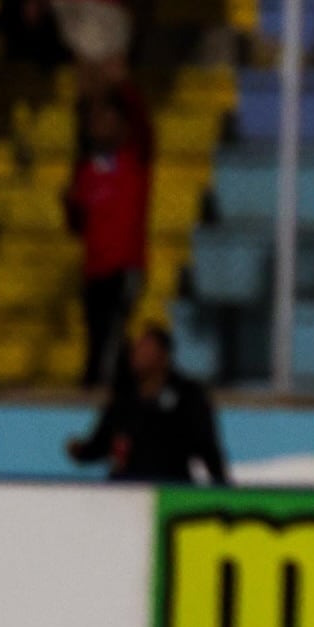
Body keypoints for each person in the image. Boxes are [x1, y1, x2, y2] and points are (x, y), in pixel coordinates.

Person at [65, 87, 151, 389]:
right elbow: (77, 226)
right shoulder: (86, 168)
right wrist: (70, 206)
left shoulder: (134, 160)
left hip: (125, 265)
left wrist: (121, 83)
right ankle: (112, 384)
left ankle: (101, 386)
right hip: (94, 267)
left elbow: (142, 124)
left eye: (108, 118)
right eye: (95, 120)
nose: (100, 126)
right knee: (96, 331)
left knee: (111, 331)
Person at [67, 324, 227, 482]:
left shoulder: (187, 396)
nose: (137, 354)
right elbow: (104, 441)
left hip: (170, 485)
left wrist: (221, 484)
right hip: (125, 486)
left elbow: (206, 445)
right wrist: (82, 452)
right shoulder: (124, 397)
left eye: (146, 348)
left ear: (163, 355)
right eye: (136, 349)